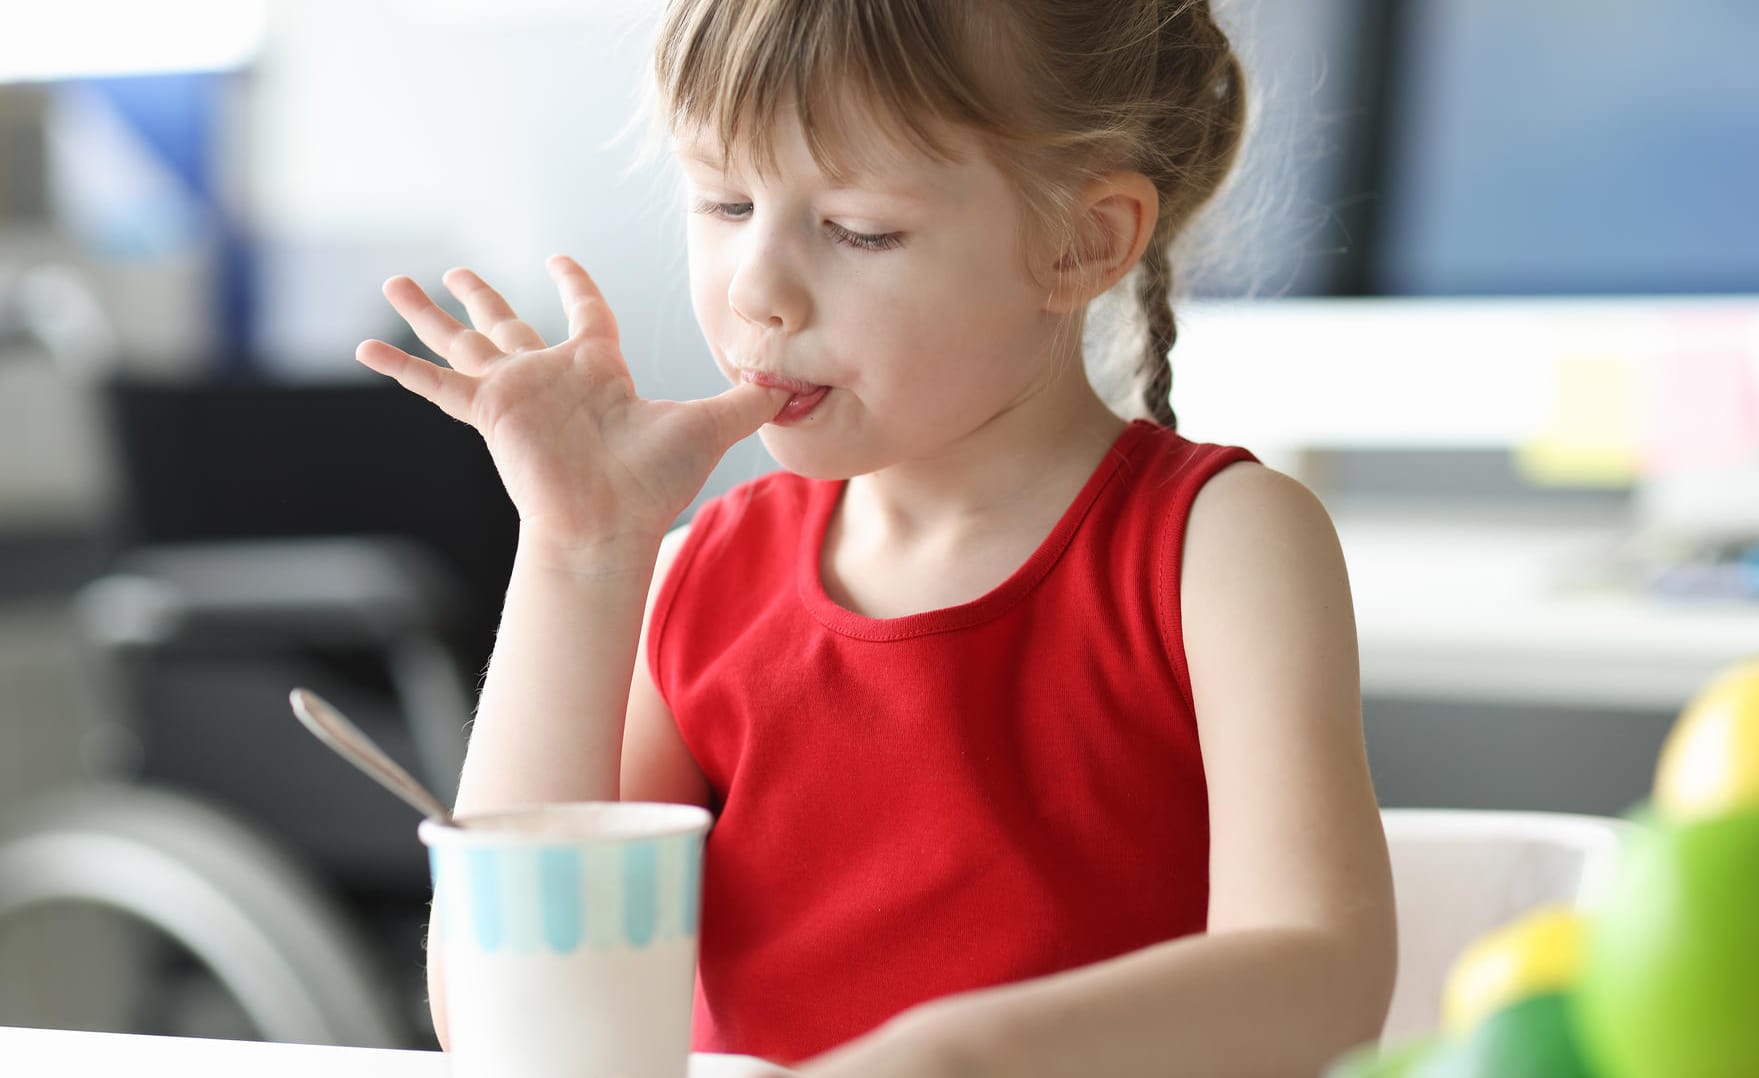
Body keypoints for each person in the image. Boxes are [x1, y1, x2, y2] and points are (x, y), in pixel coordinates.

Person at [358, 0, 1396, 1073]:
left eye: (859, 229)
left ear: (1081, 244)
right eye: (723, 200)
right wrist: (579, 554)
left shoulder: (1220, 551)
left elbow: (1324, 978)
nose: (756, 289)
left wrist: (961, 1058)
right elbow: (502, 1015)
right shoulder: (695, 578)